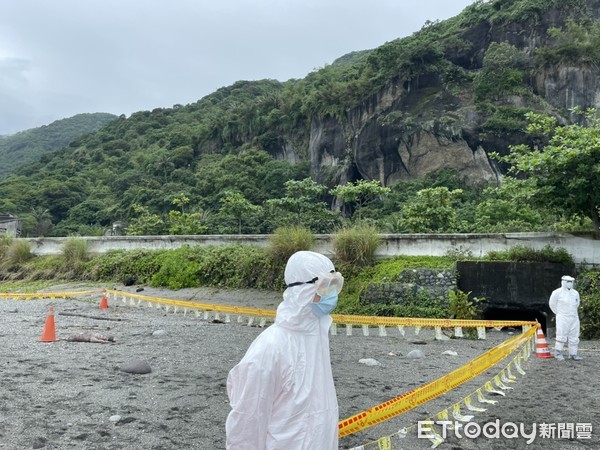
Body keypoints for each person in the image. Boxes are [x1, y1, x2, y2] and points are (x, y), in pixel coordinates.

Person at [225, 251, 344, 449]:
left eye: (335, 285)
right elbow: (246, 425)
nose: (330, 295)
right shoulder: (270, 349)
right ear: (302, 290)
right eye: (325, 286)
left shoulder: (317, 338)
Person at [549, 275, 582, 361]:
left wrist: (572, 314)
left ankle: (573, 354)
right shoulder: (557, 292)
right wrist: (559, 313)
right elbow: (552, 304)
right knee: (561, 335)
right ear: (563, 282)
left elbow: (577, 304)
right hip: (562, 318)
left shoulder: (575, 293)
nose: (569, 283)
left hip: (574, 317)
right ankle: (558, 353)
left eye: (571, 282)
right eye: (567, 282)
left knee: (574, 336)